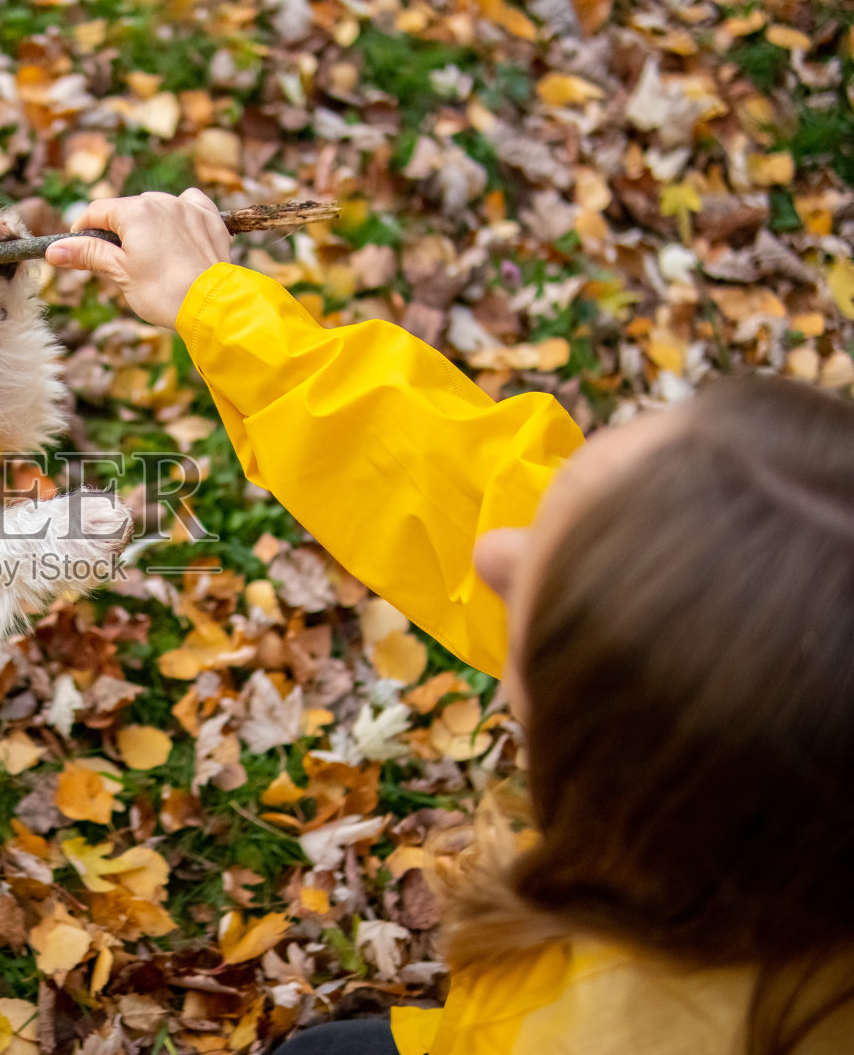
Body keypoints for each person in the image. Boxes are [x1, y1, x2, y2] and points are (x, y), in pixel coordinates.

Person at [46, 193, 854, 1055]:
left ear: (625, 778)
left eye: (539, 619)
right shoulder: (763, 668)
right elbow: (460, 488)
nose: (496, 554)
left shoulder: (609, 1035)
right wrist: (214, 302)